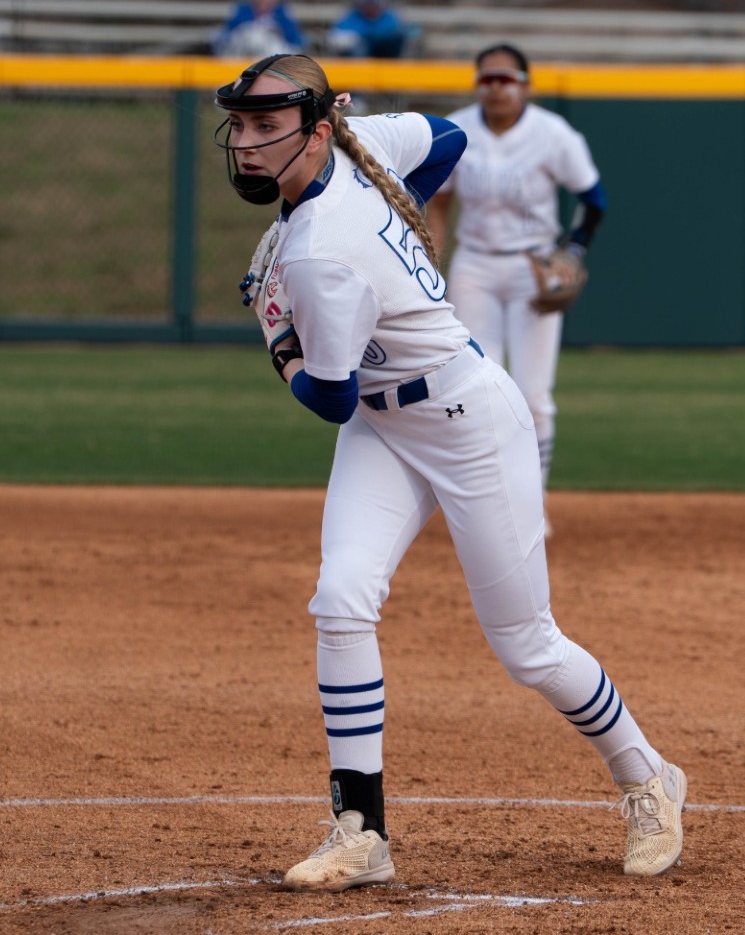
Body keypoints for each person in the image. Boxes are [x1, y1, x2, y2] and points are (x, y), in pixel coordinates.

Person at [216, 52, 684, 892]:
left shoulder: (322, 254)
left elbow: (327, 396)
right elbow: (445, 138)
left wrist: (278, 344)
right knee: (341, 599)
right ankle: (361, 833)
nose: (245, 143)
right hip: (384, 427)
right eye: (240, 125)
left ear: (316, 131)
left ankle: (648, 776)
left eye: (265, 126)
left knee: (527, 647)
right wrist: (401, 216)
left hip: (470, 423)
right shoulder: (363, 141)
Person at [427, 44, 607, 491]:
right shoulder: (458, 130)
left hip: (534, 268)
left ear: (526, 85)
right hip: (474, 267)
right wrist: (430, 266)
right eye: (487, 79)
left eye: (506, 79)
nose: (496, 88)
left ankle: (534, 497)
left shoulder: (552, 133)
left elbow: (593, 199)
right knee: (478, 389)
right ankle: (487, 493)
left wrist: (574, 250)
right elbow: (440, 204)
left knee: (533, 396)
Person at [213, 0, 305, 58]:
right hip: (242, 59)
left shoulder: (283, 13)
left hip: (273, 61)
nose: (262, 0)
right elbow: (225, 36)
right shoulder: (242, 11)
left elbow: (295, 40)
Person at [328, 0, 415, 59]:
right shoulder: (351, 16)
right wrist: (358, 39)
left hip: (385, 59)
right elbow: (336, 36)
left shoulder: (390, 17)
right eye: (368, 4)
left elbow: (401, 35)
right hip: (358, 61)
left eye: (375, 5)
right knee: (360, 47)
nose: (372, 8)